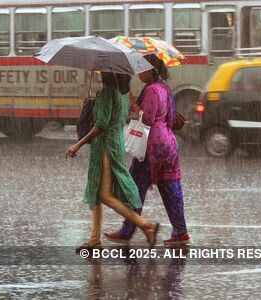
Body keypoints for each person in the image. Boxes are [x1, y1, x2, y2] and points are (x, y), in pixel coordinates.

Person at [66, 72, 159, 250]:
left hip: (105, 148)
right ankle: (94, 239)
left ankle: (146, 225)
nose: (100, 74)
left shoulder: (107, 93)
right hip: (115, 145)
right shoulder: (122, 94)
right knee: (96, 192)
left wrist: (77, 145)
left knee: (105, 196)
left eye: (102, 72)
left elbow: (101, 124)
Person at [105, 54, 190, 246]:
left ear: (150, 70)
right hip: (169, 143)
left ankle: (128, 229)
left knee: (135, 188)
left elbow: (147, 119)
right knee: (171, 188)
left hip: (152, 145)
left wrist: (135, 106)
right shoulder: (165, 88)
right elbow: (170, 116)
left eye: (141, 68)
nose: (138, 73)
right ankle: (181, 231)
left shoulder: (151, 90)